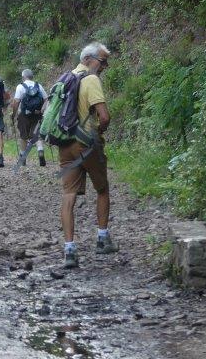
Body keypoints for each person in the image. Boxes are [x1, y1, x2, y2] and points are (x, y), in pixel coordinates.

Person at [59, 42, 118, 269]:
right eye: (102, 61)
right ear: (88, 60)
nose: (105, 66)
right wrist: (98, 132)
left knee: (68, 195)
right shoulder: (91, 79)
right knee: (102, 189)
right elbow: (104, 117)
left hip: (65, 144)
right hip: (87, 144)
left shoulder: (65, 78)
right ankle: (103, 239)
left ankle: (70, 250)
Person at [12, 69, 48, 166]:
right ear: (32, 76)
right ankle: (40, 151)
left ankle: (22, 158)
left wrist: (14, 114)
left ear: (23, 77)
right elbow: (46, 99)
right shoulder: (38, 86)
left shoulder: (20, 87)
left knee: (23, 136)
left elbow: (16, 102)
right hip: (37, 114)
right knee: (36, 135)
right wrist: (42, 110)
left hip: (24, 115)